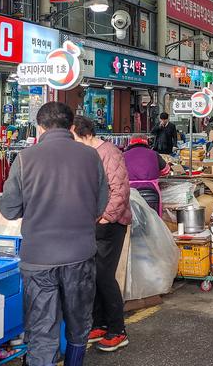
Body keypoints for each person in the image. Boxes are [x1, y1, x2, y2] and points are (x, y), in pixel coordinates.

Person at [0, 103, 108, 366]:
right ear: (72, 127)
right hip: (80, 255)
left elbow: (10, 209)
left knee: (41, 329)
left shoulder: (25, 158)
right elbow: (101, 205)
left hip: (38, 260)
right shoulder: (91, 156)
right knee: (79, 324)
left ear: (39, 126)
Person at [70, 116, 132, 353]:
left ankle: (118, 331)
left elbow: (120, 189)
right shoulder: (85, 154)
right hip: (92, 222)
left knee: (104, 276)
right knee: (92, 275)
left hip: (110, 224)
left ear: (83, 133)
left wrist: (107, 216)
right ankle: (99, 324)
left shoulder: (108, 152)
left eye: (73, 136)